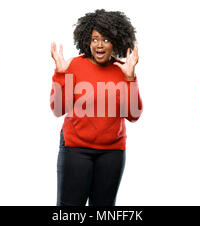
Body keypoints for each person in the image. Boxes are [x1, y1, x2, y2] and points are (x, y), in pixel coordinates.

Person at [50, 9, 143, 206]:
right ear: (87, 41)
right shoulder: (74, 65)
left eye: (106, 39)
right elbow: (58, 109)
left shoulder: (122, 70)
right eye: (95, 39)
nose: (99, 45)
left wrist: (129, 79)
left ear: (115, 42)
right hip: (75, 150)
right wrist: (60, 74)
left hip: (112, 153)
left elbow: (134, 114)